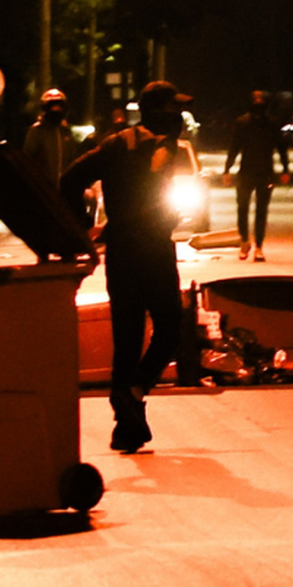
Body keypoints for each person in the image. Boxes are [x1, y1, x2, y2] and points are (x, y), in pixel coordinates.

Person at [60, 81, 192, 452]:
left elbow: (69, 181)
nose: (179, 116)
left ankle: (127, 426)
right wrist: (86, 228)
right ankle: (133, 392)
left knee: (128, 338)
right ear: (158, 111)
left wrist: (86, 228)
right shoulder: (136, 144)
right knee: (169, 328)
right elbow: (68, 181)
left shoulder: (120, 143)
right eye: (174, 108)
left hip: (121, 251)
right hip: (151, 250)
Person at [222, 90, 291, 261]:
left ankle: (258, 246)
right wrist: (227, 170)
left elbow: (281, 147)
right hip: (247, 172)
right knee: (243, 209)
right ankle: (245, 241)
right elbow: (234, 147)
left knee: (260, 211)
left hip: (265, 173)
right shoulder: (243, 123)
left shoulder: (271, 124)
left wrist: (285, 169)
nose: (259, 108)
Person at [23, 88, 75, 186]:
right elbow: (28, 161)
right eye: (53, 106)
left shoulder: (66, 132)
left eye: (59, 106)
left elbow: (72, 160)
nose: (56, 110)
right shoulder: (37, 130)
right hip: (43, 189)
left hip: (64, 189)